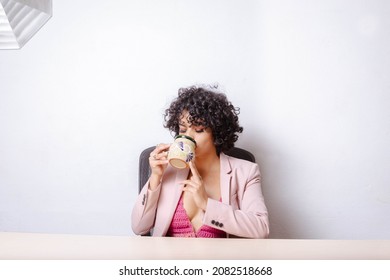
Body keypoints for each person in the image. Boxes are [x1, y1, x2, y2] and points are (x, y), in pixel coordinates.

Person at [131, 85, 269, 238]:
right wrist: (155, 178)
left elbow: (260, 228)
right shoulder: (168, 169)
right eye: (183, 130)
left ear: (217, 133)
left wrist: (206, 204)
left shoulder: (246, 172)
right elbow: (139, 227)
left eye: (198, 130)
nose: (188, 136)